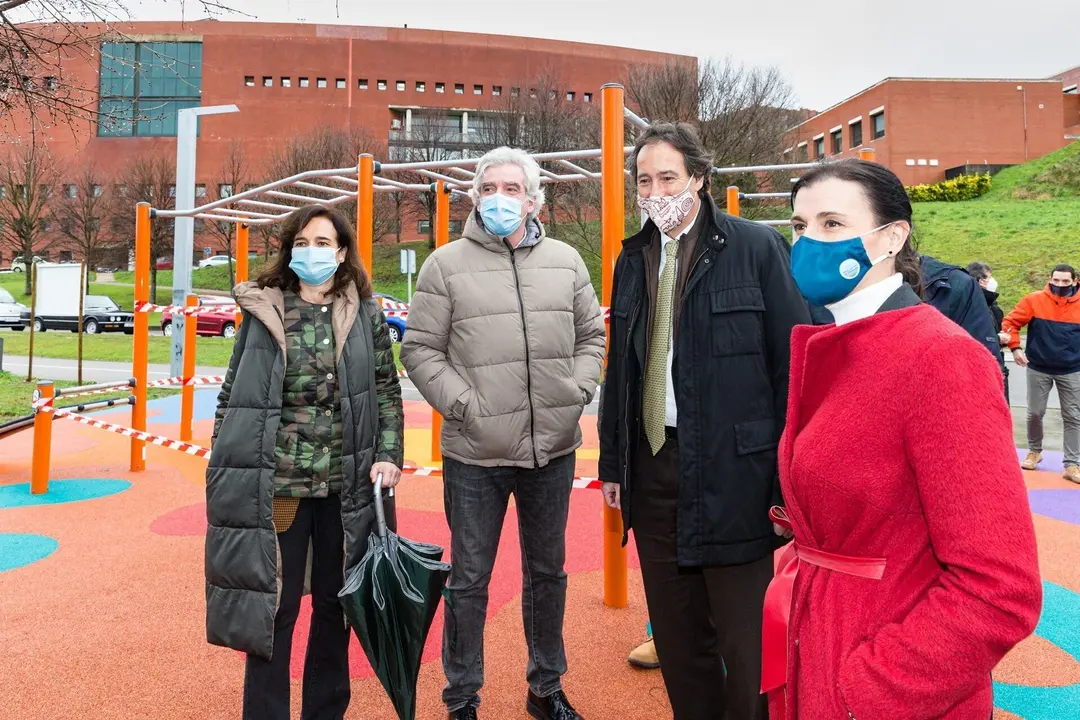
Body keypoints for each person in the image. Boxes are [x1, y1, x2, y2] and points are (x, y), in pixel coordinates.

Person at [763, 158, 1041, 718]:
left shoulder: (941, 359)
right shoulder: (840, 341)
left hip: (883, 676)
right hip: (823, 640)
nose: (809, 241)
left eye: (832, 223)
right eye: (798, 226)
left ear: (892, 237)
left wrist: (868, 690)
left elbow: (1000, 586)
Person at [597, 122, 809, 720]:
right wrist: (614, 462)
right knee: (678, 638)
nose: (656, 192)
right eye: (644, 181)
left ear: (699, 178)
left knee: (747, 644)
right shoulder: (632, 259)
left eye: (668, 178)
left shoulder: (756, 248)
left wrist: (784, 480)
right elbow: (622, 369)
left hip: (733, 470)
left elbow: (792, 365)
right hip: (653, 468)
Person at [401, 146, 605, 720]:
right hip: (475, 454)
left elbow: (592, 337)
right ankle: (462, 697)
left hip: (552, 450)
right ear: (474, 197)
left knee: (549, 575)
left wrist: (576, 391)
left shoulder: (566, 261)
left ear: (534, 200)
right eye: (489, 187)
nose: (499, 198)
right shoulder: (445, 265)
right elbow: (420, 350)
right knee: (469, 580)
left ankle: (546, 687)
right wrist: (464, 405)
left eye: (512, 188)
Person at [204, 205, 405, 720]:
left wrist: (388, 453)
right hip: (281, 487)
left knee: (337, 606)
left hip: (345, 485)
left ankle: (325, 711)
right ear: (289, 249)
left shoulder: (365, 313)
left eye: (322, 243)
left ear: (341, 253)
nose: (311, 251)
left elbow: (385, 389)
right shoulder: (265, 310)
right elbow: (233, 392)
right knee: (275, 607)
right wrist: (225, 455)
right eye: (302, 242)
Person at [1003, 264, 1080, 482]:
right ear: (1050, 279)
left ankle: (1072, 464)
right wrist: (1015, 348)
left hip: (1072, 369)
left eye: (1065, 281)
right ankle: (1034, 451)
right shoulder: (1034, 300)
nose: (1060, 284)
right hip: (1038, 367)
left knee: (1073, 416)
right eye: (1056, 280)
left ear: (1075, 282)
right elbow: (1010, 323)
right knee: (1035, 412)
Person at [967, 260, 1010, 401]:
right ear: (981, 281)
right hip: (984, 367)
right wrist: (997, 339)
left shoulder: (990, 302)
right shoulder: (975, 304)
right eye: (990, 277)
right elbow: (972, 335)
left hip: (994, 361)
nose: (993, 281)